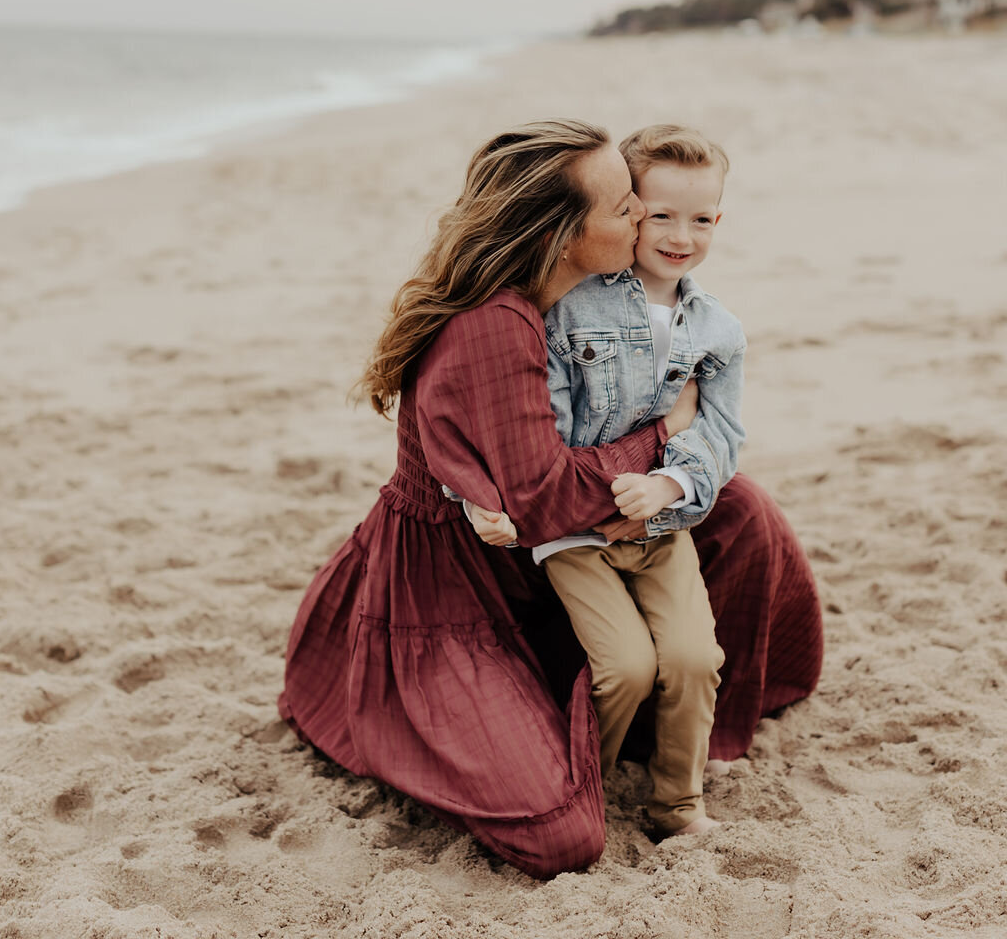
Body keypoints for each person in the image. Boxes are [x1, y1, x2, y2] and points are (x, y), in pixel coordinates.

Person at [278, 120, 823, 879]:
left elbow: (675, 439)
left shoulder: (585, 299)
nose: (644, 217)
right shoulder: (499, 325)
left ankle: (654, 716)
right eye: (627, 207)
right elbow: (541, 500)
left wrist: (675, 471)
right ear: (567, 234)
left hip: (542, 540)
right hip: (459, 583)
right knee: (562, 835)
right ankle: (552, 723)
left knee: (744, 509)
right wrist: (659, 438)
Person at [467, 124, 744, 840]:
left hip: (660, 523)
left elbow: (720, 435)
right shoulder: (572, 309)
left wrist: (671, 490)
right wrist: (523, 501)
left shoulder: (718, 331)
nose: (681, 236)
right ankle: (585, 782)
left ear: (721, 219)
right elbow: (539, 436)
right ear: (629, 212)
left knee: (692, 659)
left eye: (702, 218)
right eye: (659, 215)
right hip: (577, 536)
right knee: (624, 668)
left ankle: (676, 805)